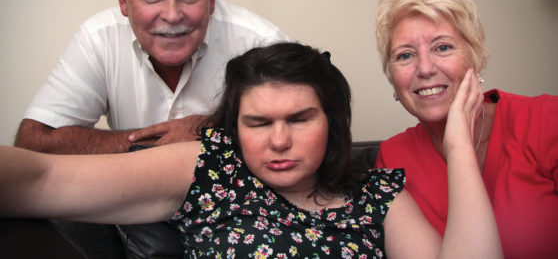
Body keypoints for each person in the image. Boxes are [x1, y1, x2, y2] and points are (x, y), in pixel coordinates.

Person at [0, 42, 502, 258]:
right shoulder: (211, 169)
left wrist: (459, 148)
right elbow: (41, 178)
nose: (279, 141)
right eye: (258, 123)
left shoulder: (376, 196)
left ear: (332, 120)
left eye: (300, 119)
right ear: (233, 128)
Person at [15, 0, 288, 154]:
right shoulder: (99, 39)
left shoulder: (260, 40)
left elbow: (324, 118)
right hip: (133, 205)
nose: (172, 15)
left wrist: (211, 128)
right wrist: (160, 143)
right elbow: (34, 140)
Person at [373, 0, 558, 259]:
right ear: (393, 79)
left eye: (443, 47)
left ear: (475, 57)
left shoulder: (545, 119)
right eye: (405, 55)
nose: (424, 68)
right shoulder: (392, 158)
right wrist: (459, 142)